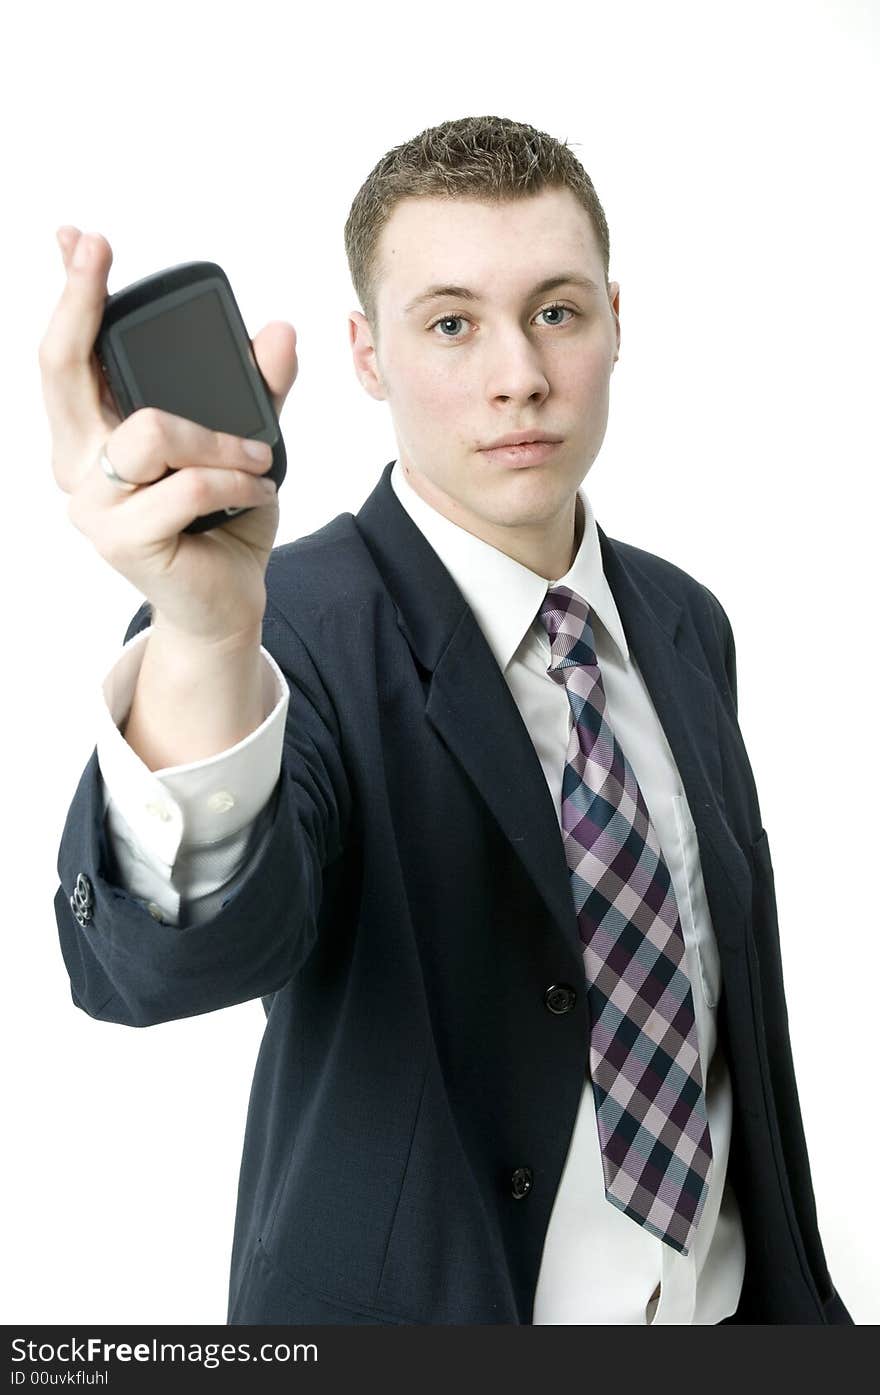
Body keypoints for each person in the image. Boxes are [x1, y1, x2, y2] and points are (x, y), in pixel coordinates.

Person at [42, 115, 853, 1325]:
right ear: (368, 356)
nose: (517, 373)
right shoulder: (291, 626)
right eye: (453, 323)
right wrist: (208, 636)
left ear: (616, 322)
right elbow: (173, 958)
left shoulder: (687, 623)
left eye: (557, 312)